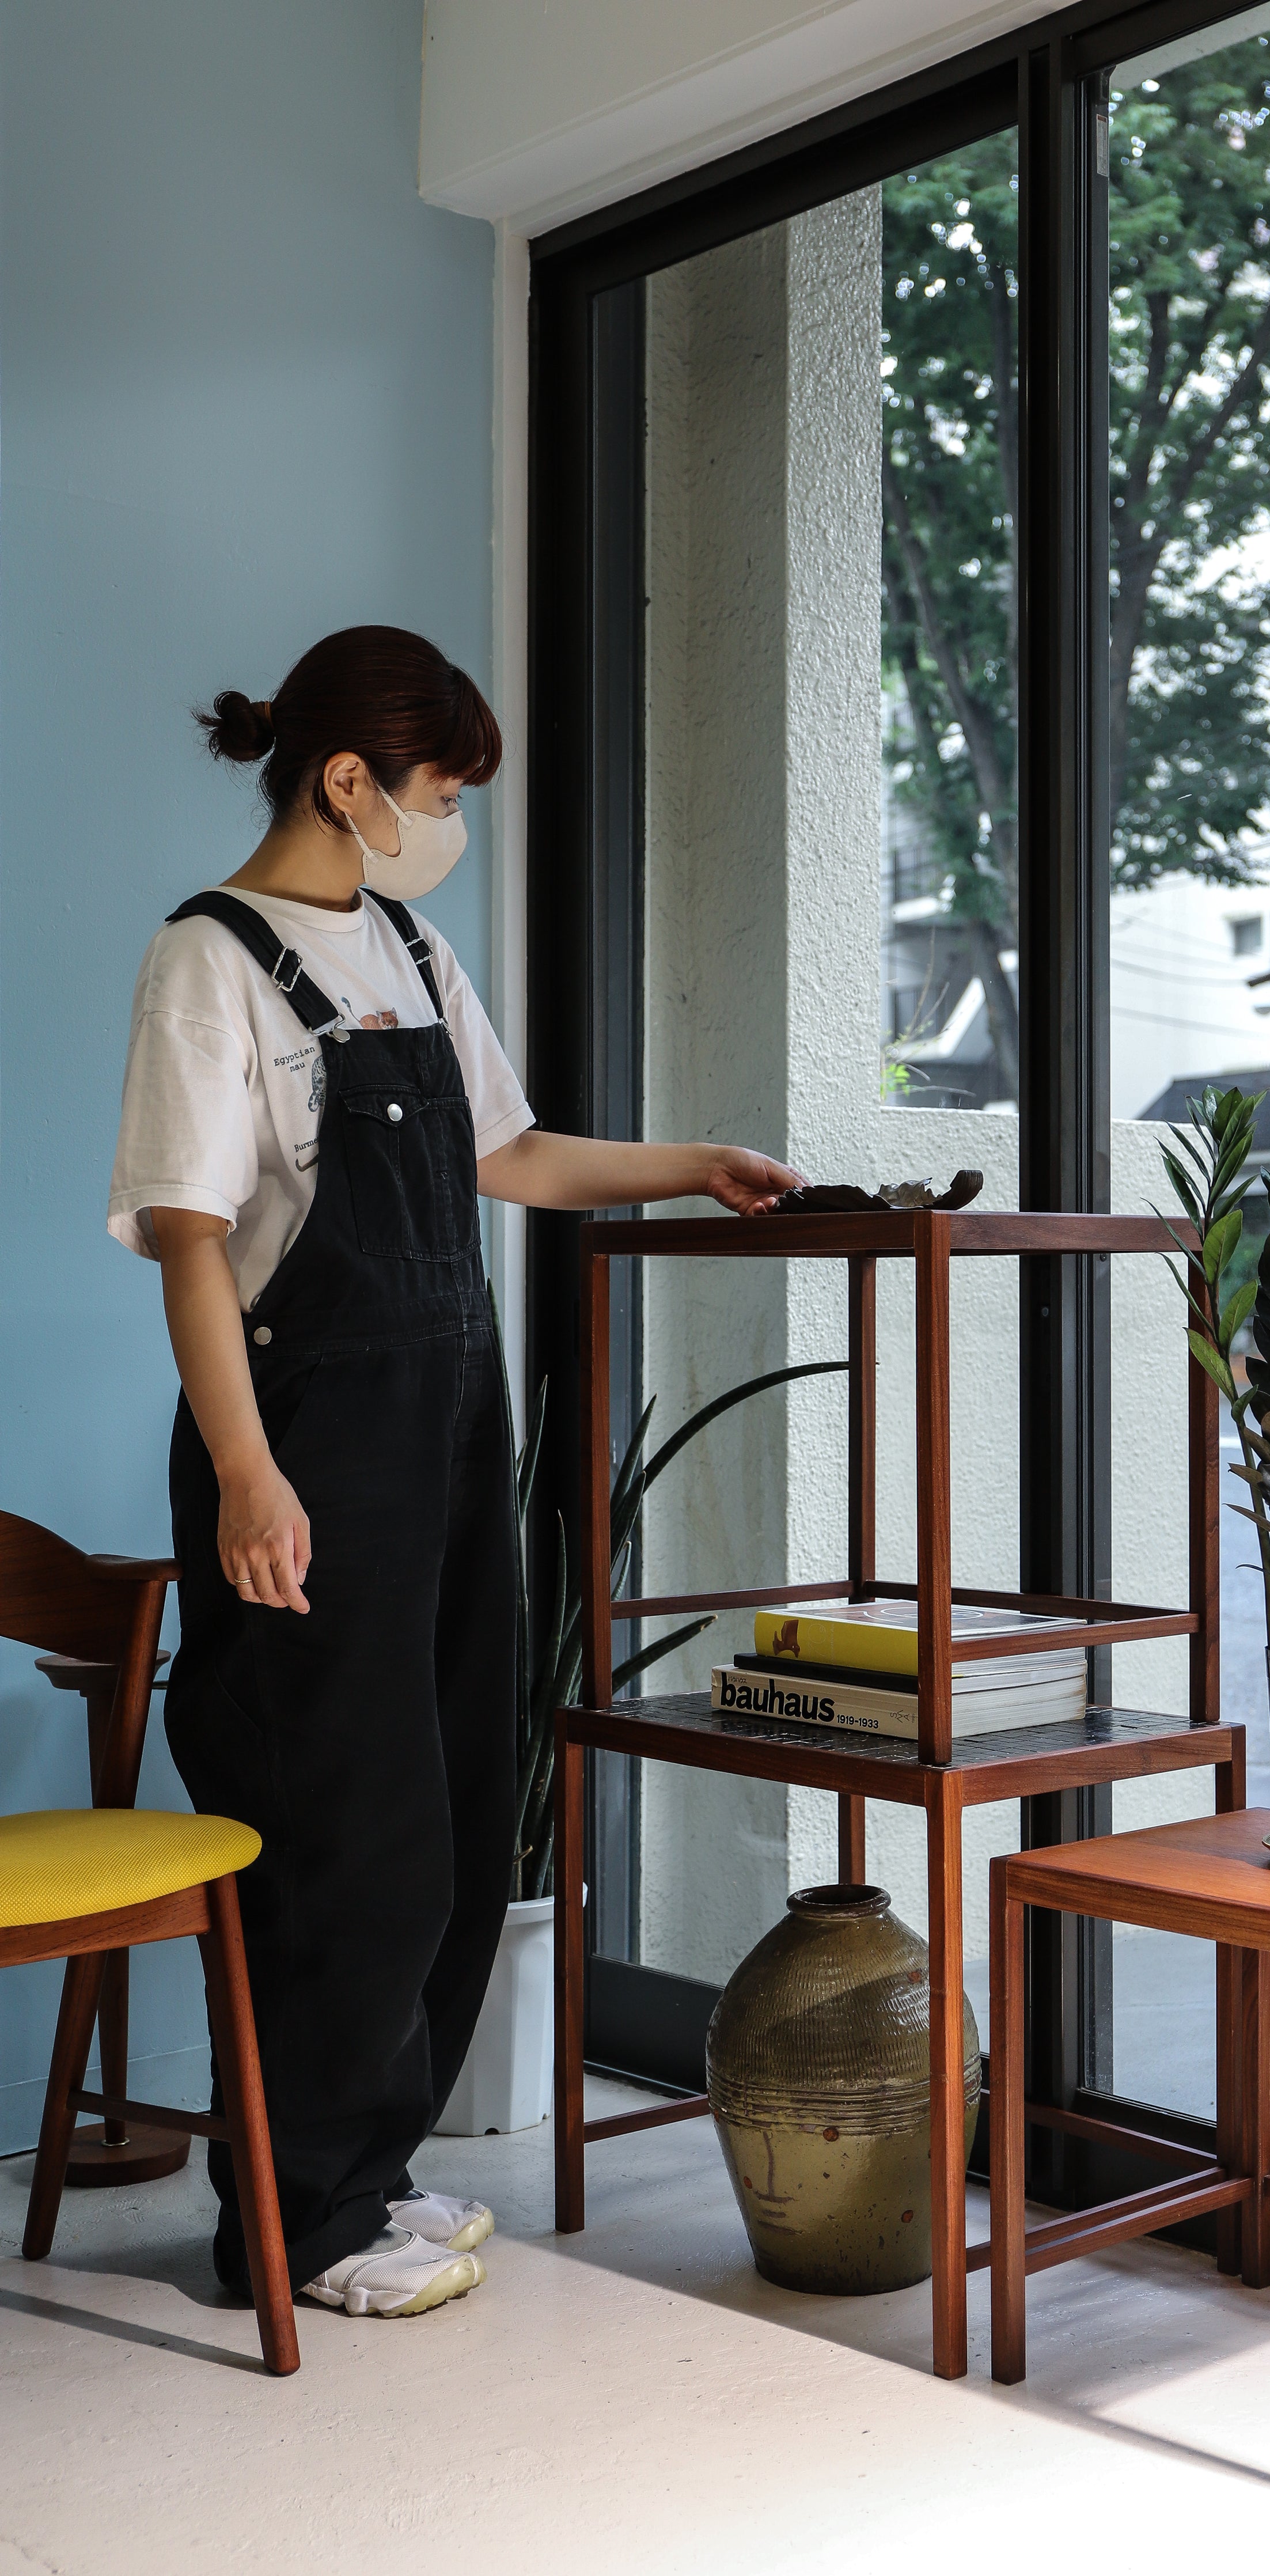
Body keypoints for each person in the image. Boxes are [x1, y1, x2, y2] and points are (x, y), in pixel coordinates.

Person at [108, 626, 798, 2319]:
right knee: (344, 1833)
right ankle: (294, 2219)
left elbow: (514, 1152)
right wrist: (250, 1478)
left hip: (443, 1440)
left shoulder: (408, 946)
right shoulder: (208, 962)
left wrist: (689, 1162)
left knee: (454, 1821)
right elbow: (192, 1246)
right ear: (350, 780)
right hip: (301, 1452)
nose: (450, 824)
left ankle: (368, 2171)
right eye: (440, 792)